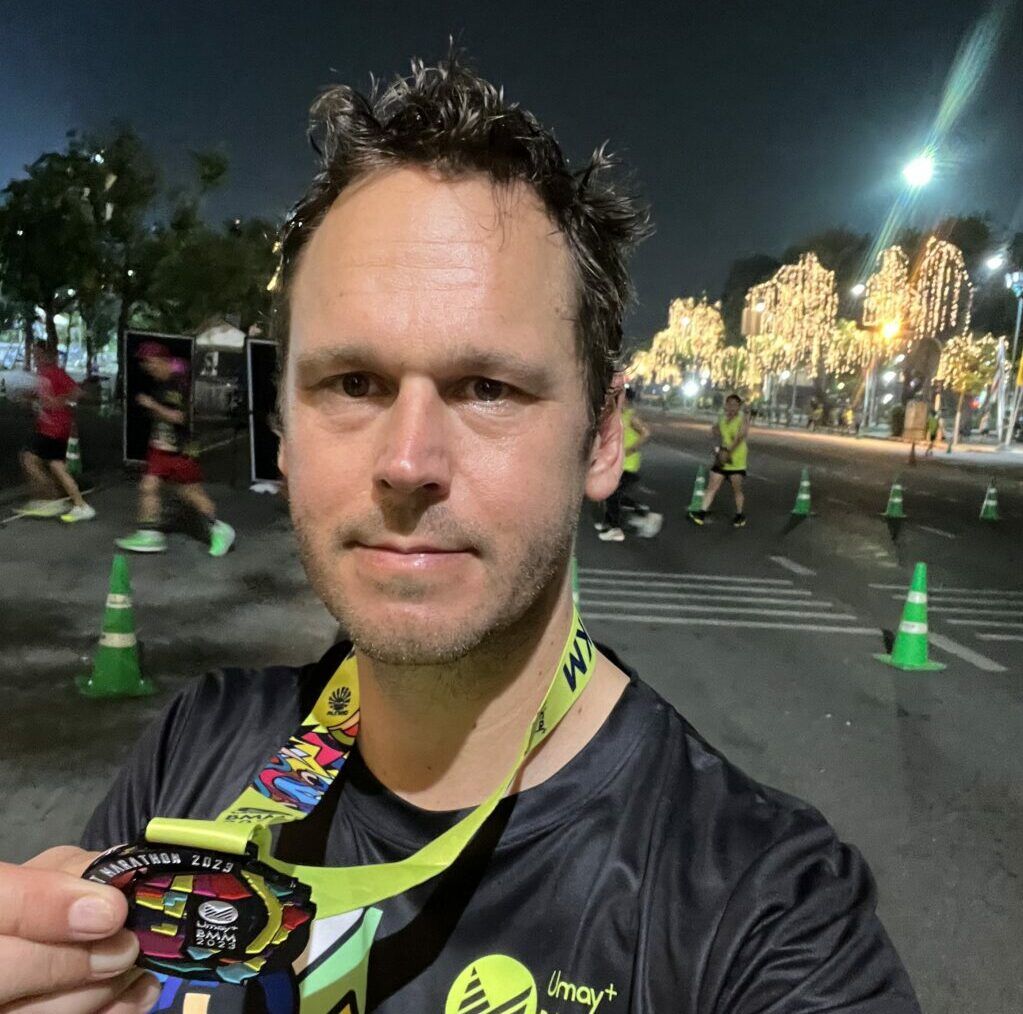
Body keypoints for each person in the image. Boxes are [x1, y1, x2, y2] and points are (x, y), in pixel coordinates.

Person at [0, 56, 919, 1014]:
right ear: (284, 430)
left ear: (603, 438)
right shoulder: (197, 746)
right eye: (352, 383)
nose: (407, 461)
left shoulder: (762, 914)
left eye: (488, 388)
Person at [115, 341, 235, 556]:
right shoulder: (161, 382)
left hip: (180, 450)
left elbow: (178, 417)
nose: (148, 367)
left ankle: (220, 530)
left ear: (163, 361)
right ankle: (149, 534)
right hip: (161, 448)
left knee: (191, 493)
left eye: (150, 362)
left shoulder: (178, 384)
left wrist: (152, 405)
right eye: (145, 364)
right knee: (148, 486)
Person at [16, 343, 95, 523]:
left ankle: (52, 499)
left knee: (29, 458)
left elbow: (77, 392)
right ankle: (73, 503)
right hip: (49, 427)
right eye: (34, 354)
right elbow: (43, 395)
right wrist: (30, 397)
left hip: (55, 428)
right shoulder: (43, 374)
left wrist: (57, 402)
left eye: (38, 354)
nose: (35, 358)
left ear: (48, 356)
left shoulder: (56, 373)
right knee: (55, 466)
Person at [596, 386, 662, 541]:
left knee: (612, 494)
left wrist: (632, 449)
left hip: (628, 465)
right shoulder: (617, 415)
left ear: (625, 399)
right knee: (610, 493)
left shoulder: (631, 416)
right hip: (617, 463)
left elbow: (646, 433)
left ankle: (615, 528)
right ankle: (634, 511)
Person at [688, 392, 749, 528]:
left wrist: (728, 453)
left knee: (737, 489)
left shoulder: (742, 419)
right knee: (712, 486)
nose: (732, 407)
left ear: (739, 406)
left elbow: (740, 438)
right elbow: (715, 432)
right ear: (725, 405)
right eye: (729, 404)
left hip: (736, 460)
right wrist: (717, 447)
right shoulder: (722, 418)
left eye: (735, 404)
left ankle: (739, 515)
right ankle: (701, 513)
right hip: (722, 457)